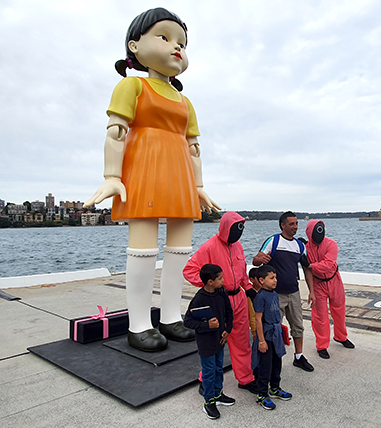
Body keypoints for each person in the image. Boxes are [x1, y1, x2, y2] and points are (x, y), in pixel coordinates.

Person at [83, 8, 220, 352]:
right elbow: (116, 131)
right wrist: (112, 175)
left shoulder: (186, 101)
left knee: (179, 251)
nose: (176, 48)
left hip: (181, 177)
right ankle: (139, 324)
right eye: (165, 37)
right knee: (143, 248)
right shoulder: (132, 85)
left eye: (182, 43)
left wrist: (199, 186)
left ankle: (171, 317)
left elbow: (194, 149)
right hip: (144, 169)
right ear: (134, 45)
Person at [183, 212, 256, 394]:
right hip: (218, 300)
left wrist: (248, 288)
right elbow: (189, 270)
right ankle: (205, 380)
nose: (239, 232)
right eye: (236, 228)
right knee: (214, 343)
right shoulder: (209, 247)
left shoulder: (238, 246)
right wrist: (209, 287)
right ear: (226, 228)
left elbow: (242, 269)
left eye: (241, 228)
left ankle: (245, 378)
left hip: (238, 297)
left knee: (242, 341)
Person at [253, 212, 315, 372]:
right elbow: (256, 261)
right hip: (275, 295)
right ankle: (271, 358)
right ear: (283, 225)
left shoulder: (300, 246)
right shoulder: (273, 241)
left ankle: (299, 356)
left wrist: (311, 291)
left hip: (293, 293)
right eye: (291, 224)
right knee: (273, 327)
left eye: (296, 224)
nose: (295, 227)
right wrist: (260, 259)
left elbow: (307, 269)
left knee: (298, 326)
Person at [183, 264, 234, 420]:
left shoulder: (221, 293)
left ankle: (218, 394)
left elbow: (228, 311)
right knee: (209, 371)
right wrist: (207, 325)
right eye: (219, 278)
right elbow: (187, 321)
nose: (223, 281)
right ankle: (208, 401)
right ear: (210, 281)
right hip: (206, 342)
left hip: (220, 338)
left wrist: (228, 329)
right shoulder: (199, 298)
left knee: (219, 368)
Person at [305, 220, 354, 359]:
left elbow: (328, 264)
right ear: (309, 233)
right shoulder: (305, 248)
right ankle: (321, 345)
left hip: (334, 280)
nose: (319, 235)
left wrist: (310, 265)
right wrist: (311, 291)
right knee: (320, 316)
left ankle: (341, 336)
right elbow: (305, 270)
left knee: (339, 311)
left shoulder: (331, 244)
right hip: (318, 283)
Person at [252, 265, 293, 410]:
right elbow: (258, 320)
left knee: (277, 363)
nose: (275, 280)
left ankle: (275, 388)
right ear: (261, 280)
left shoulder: (275, 294)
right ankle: (262, 394)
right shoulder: (260, 297)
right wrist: (261, 341)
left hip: (276, 335)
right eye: (271, 278)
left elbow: (277, 315)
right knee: (265, 366)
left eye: (275, 277)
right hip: (266, 336)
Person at [247, 267, 261, 342]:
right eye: (259, 278)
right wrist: (254, 332)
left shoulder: (263, 292)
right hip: (256, 328)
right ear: (252, 280)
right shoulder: (250, 295)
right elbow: (252, 315)